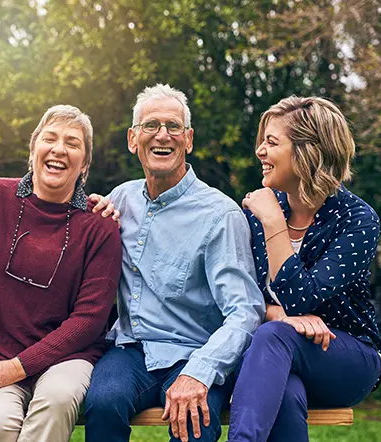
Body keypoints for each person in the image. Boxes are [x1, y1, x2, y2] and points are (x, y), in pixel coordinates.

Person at [0, 104, 122, 442]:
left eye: (73, 144)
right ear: (33, 150)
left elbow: (89, 320)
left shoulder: (100, 226)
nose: (59, 149)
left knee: (57, 400)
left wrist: (16, 367)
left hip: (67, 359)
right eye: (50, 138)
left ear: (84, 165)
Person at [83, 84, 265, 442]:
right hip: (131, 350)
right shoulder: (119, 199)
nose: (162, 135)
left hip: (195, 351)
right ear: (133, 139)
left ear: (189, 139)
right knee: (103, 402)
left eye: (173, 126)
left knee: (198, 417)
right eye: (151, 125)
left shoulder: (221, 215)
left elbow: (245, 311)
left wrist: (200, 371)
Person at [227, 96, 381, 442]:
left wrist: (273, 223)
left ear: (307, 151)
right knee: (285, 393)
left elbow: (302, 299)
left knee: (274, 338)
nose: (260, 151)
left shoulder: (357, 219)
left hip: (348, 355)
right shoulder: (257, 214)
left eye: (272, 142)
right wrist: (277, 315)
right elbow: (238, 297)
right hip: (277, 354)